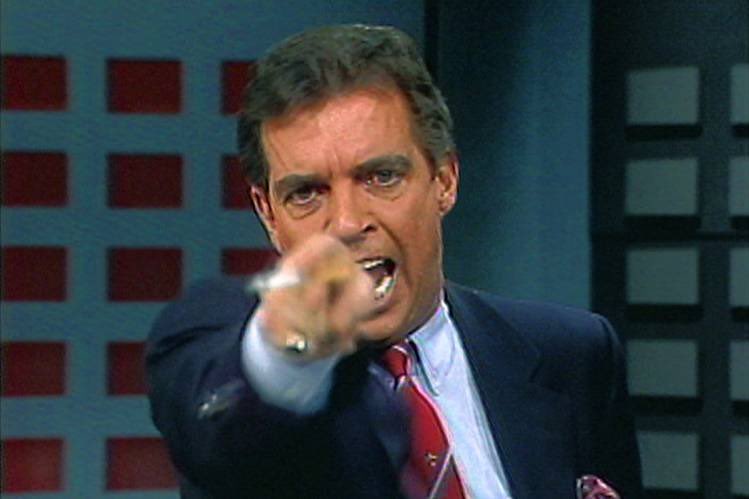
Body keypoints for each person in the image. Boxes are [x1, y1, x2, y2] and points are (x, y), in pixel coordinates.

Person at [146, 24, 642, 498]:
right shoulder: (230, 376)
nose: (346, 222)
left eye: (381, 177)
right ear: (268, 213)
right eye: (307, 193)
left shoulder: (572, 355)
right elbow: (221, 418)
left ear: (444, 179)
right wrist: (287, 352)